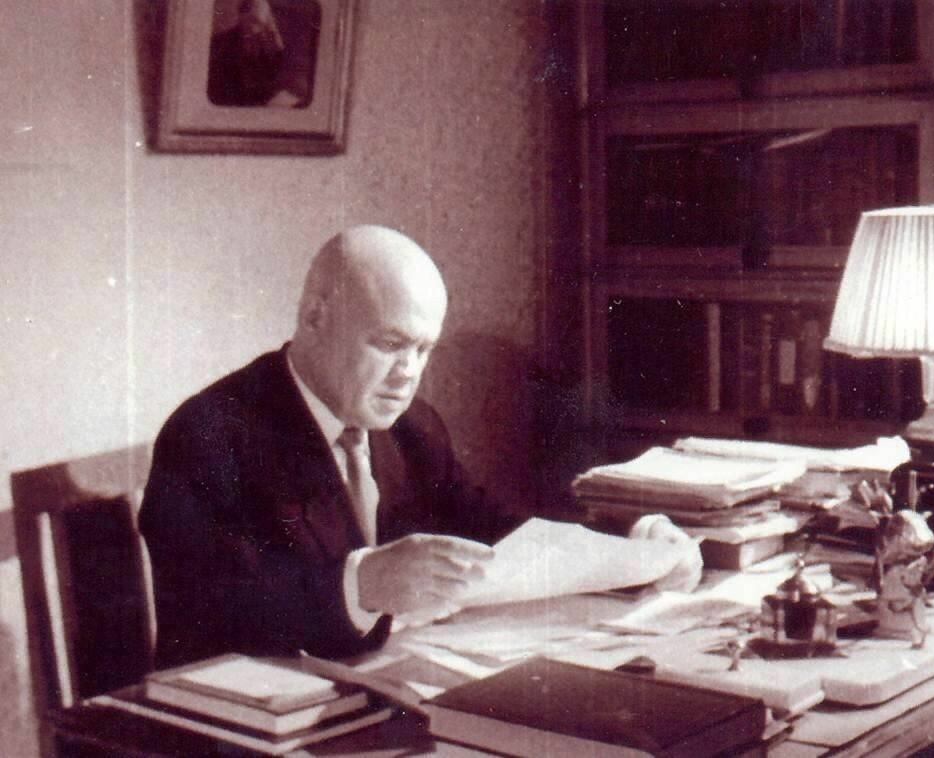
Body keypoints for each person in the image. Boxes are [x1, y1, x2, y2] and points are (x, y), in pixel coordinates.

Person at [139, 225, 702, 669]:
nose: (407, 373)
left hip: (374, 685)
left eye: (423, 349)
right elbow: (210, 609)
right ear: (314, 317)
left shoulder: (412, 427)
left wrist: (633, 541)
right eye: (390, 344)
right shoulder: (209, 435)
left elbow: (492, 529)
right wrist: (361, 585)